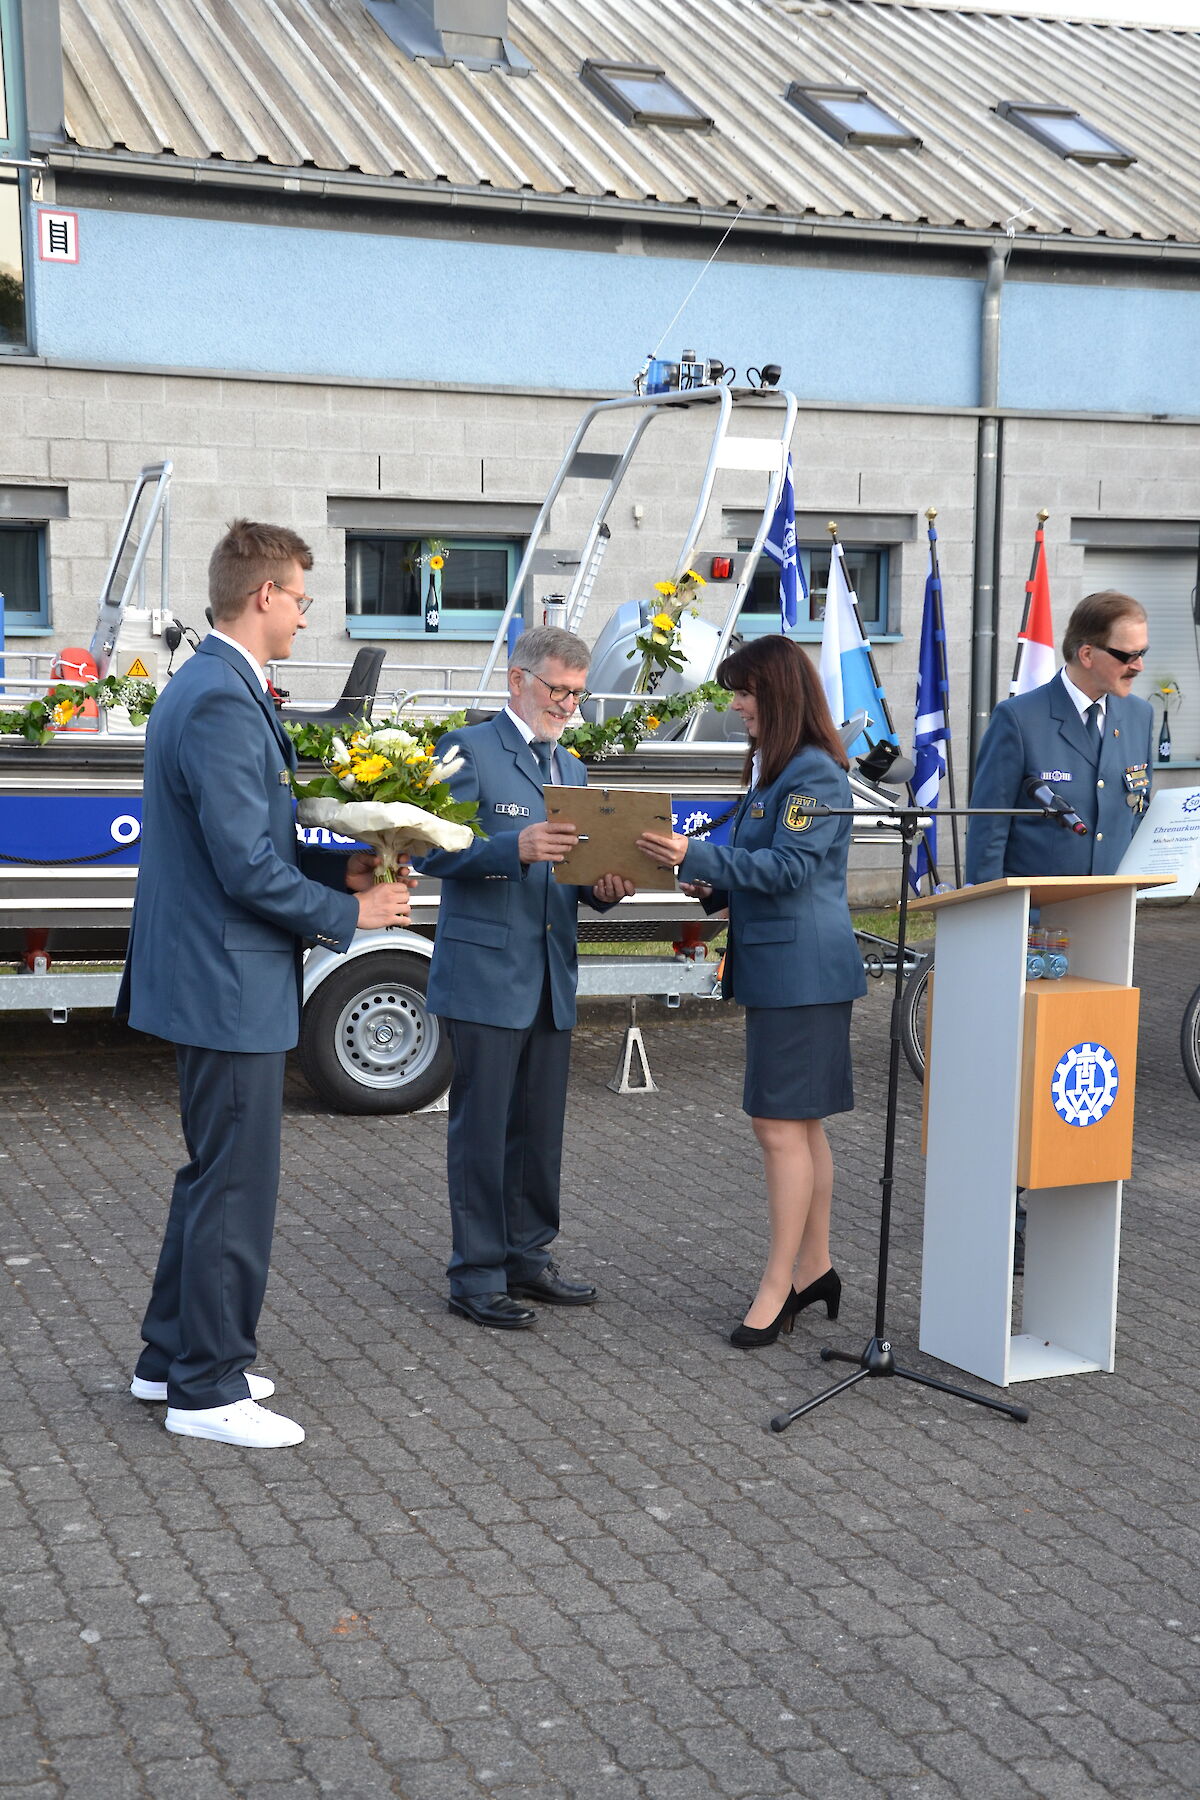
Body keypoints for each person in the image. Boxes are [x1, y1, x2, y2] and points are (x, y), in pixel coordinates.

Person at [117, 520, 412, 1449]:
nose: (303, 613)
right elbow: (245, 867)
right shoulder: (218, 699)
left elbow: (248, 849)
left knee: (213, 1174)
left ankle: (170, 1356)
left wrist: (337, 877)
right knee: (236, 1185)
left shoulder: (212, 686)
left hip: (217, 972)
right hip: (225, 979)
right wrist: (349, 918)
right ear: (261, 598)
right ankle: (207, 1389)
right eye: (299, 598)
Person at [637, 635, 867, 1348]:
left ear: (779, 693)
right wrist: (712, 878)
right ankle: (816, 1268)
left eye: (744, 692)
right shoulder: (782, 772)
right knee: (797, 1126)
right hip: (790, 969)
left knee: (778, 1128)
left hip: (802, 972)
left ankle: (782, 1284)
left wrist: (693, 853)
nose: (736, 706)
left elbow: (791, 869)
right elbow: (764, 863)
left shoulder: (813, 776)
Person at [416, 626, 632, 1330]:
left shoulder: (570, 767)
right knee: (483, 1130)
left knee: (538, 1131)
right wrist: (514, 846)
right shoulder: (467, 749)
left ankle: (527, 1257)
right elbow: (428, 848)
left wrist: (604, 888)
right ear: (518, 680)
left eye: (578, 693)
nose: (569, 705)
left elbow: (570, 876)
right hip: (484, 974)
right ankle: (474, 1275)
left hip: (547, 973)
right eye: (559, 690)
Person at [966, 590, 1154, 884]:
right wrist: (990, 912)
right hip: (1035, 914)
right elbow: (989, 828)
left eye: (1142, 653)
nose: (1139, 666)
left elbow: (1138, 811)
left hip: (1111, 907)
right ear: (1087, 654)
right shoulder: (1019, 719)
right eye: (1128, 655)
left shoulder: (1139, 715)